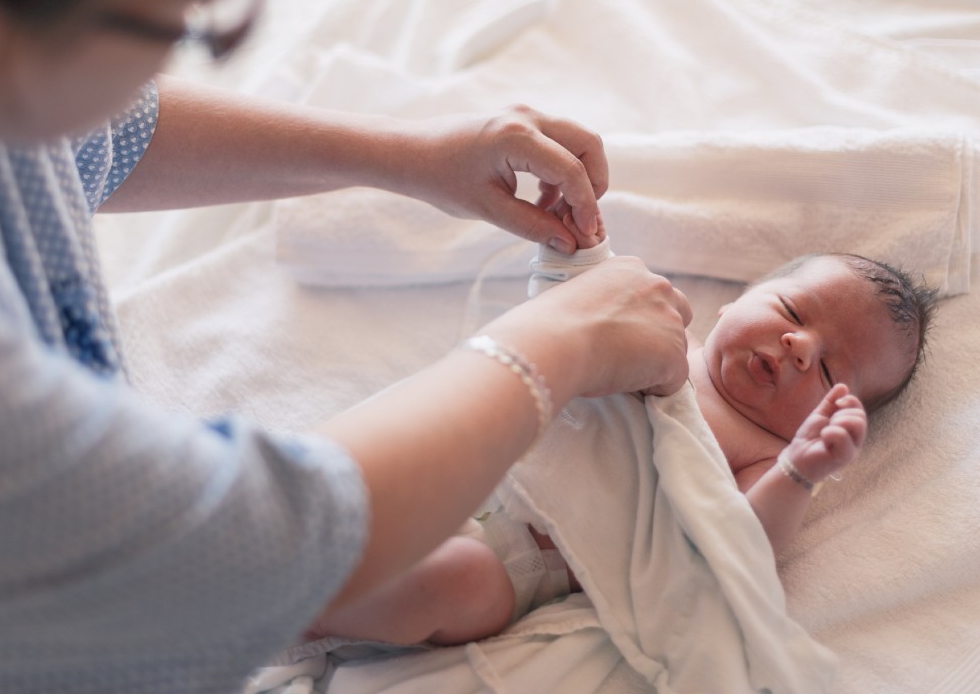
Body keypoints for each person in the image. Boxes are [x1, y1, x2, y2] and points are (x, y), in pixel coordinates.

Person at [0, 0, 695, 691]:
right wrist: (557, 344)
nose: (197, 27)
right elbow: (266, 540)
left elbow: (100, 136)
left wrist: (409, 155)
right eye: (191, 5)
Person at [311, 237, 936, 647]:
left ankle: (301, 614)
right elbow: (570, 299)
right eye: (793, 313)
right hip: (475, 455)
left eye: (829, 372)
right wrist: (571, 244)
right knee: (355, 484)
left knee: (452, 583)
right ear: (736, 302)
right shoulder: (663, 335)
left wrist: (800, 474)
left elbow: (739, 546)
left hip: (522, 556)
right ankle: (293, 563)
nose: (801, 347)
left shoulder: (766, 455)